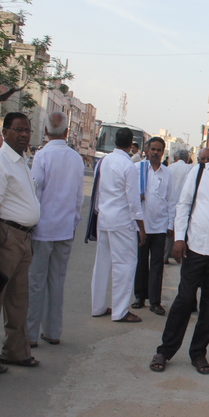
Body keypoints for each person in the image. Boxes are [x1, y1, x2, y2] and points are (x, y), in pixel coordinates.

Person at [150, 129, 209, 374]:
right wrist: (179, 238)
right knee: (183, 301)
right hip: (195, 249)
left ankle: (198, 354)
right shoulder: (198, 173)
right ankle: (164, 351)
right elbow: (183, 206)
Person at [27, 112, 84, 348]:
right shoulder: (76, 158)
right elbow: (79, 197)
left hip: (42, 228)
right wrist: (73, 223)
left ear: (47, 131)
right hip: (64, 228)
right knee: (57, 281)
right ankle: (53, 331)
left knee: (36, 281)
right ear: (67, 132)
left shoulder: (42, 156)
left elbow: (35, 192)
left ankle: (30, 334)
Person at [0, 112, 41, 372]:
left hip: (23, 238)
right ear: (5, 131)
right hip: (5, 237)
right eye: (18, 130)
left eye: (27, 130)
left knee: (19, 299)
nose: (24, 135)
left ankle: (15, 351)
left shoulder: (22, 160)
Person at [90, 127, 147, 322]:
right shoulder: (128, 165)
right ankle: (120, 311)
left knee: (102, 263)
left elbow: (97, 191)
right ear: (132, 145)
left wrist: (99, 211)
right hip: (122, 221)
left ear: (115, 141)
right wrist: (142, 227)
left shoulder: (104, 161)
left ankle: (98, 306)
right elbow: (133, 201)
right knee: (125, 264)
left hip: (104, 218)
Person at [132, 137, 175, 316]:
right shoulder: (138, 170)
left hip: (159, 226)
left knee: (157, 265)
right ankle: (139, 297)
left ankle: (155, 301)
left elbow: (172, 201)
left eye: (159, 150)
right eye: (153, 149)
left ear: (163, 152)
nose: (155, 153)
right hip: (141, 226)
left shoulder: (167, 173)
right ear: (147, 150)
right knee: (141, 263)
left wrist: (171, 225)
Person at [164, 149, 192, 264]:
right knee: (181, 229)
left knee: (169, 231)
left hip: (170, 202)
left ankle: (165, 255)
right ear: (187, 159)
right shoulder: (190, 168)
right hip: (183, 203)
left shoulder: (169, 168)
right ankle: (180, 255)